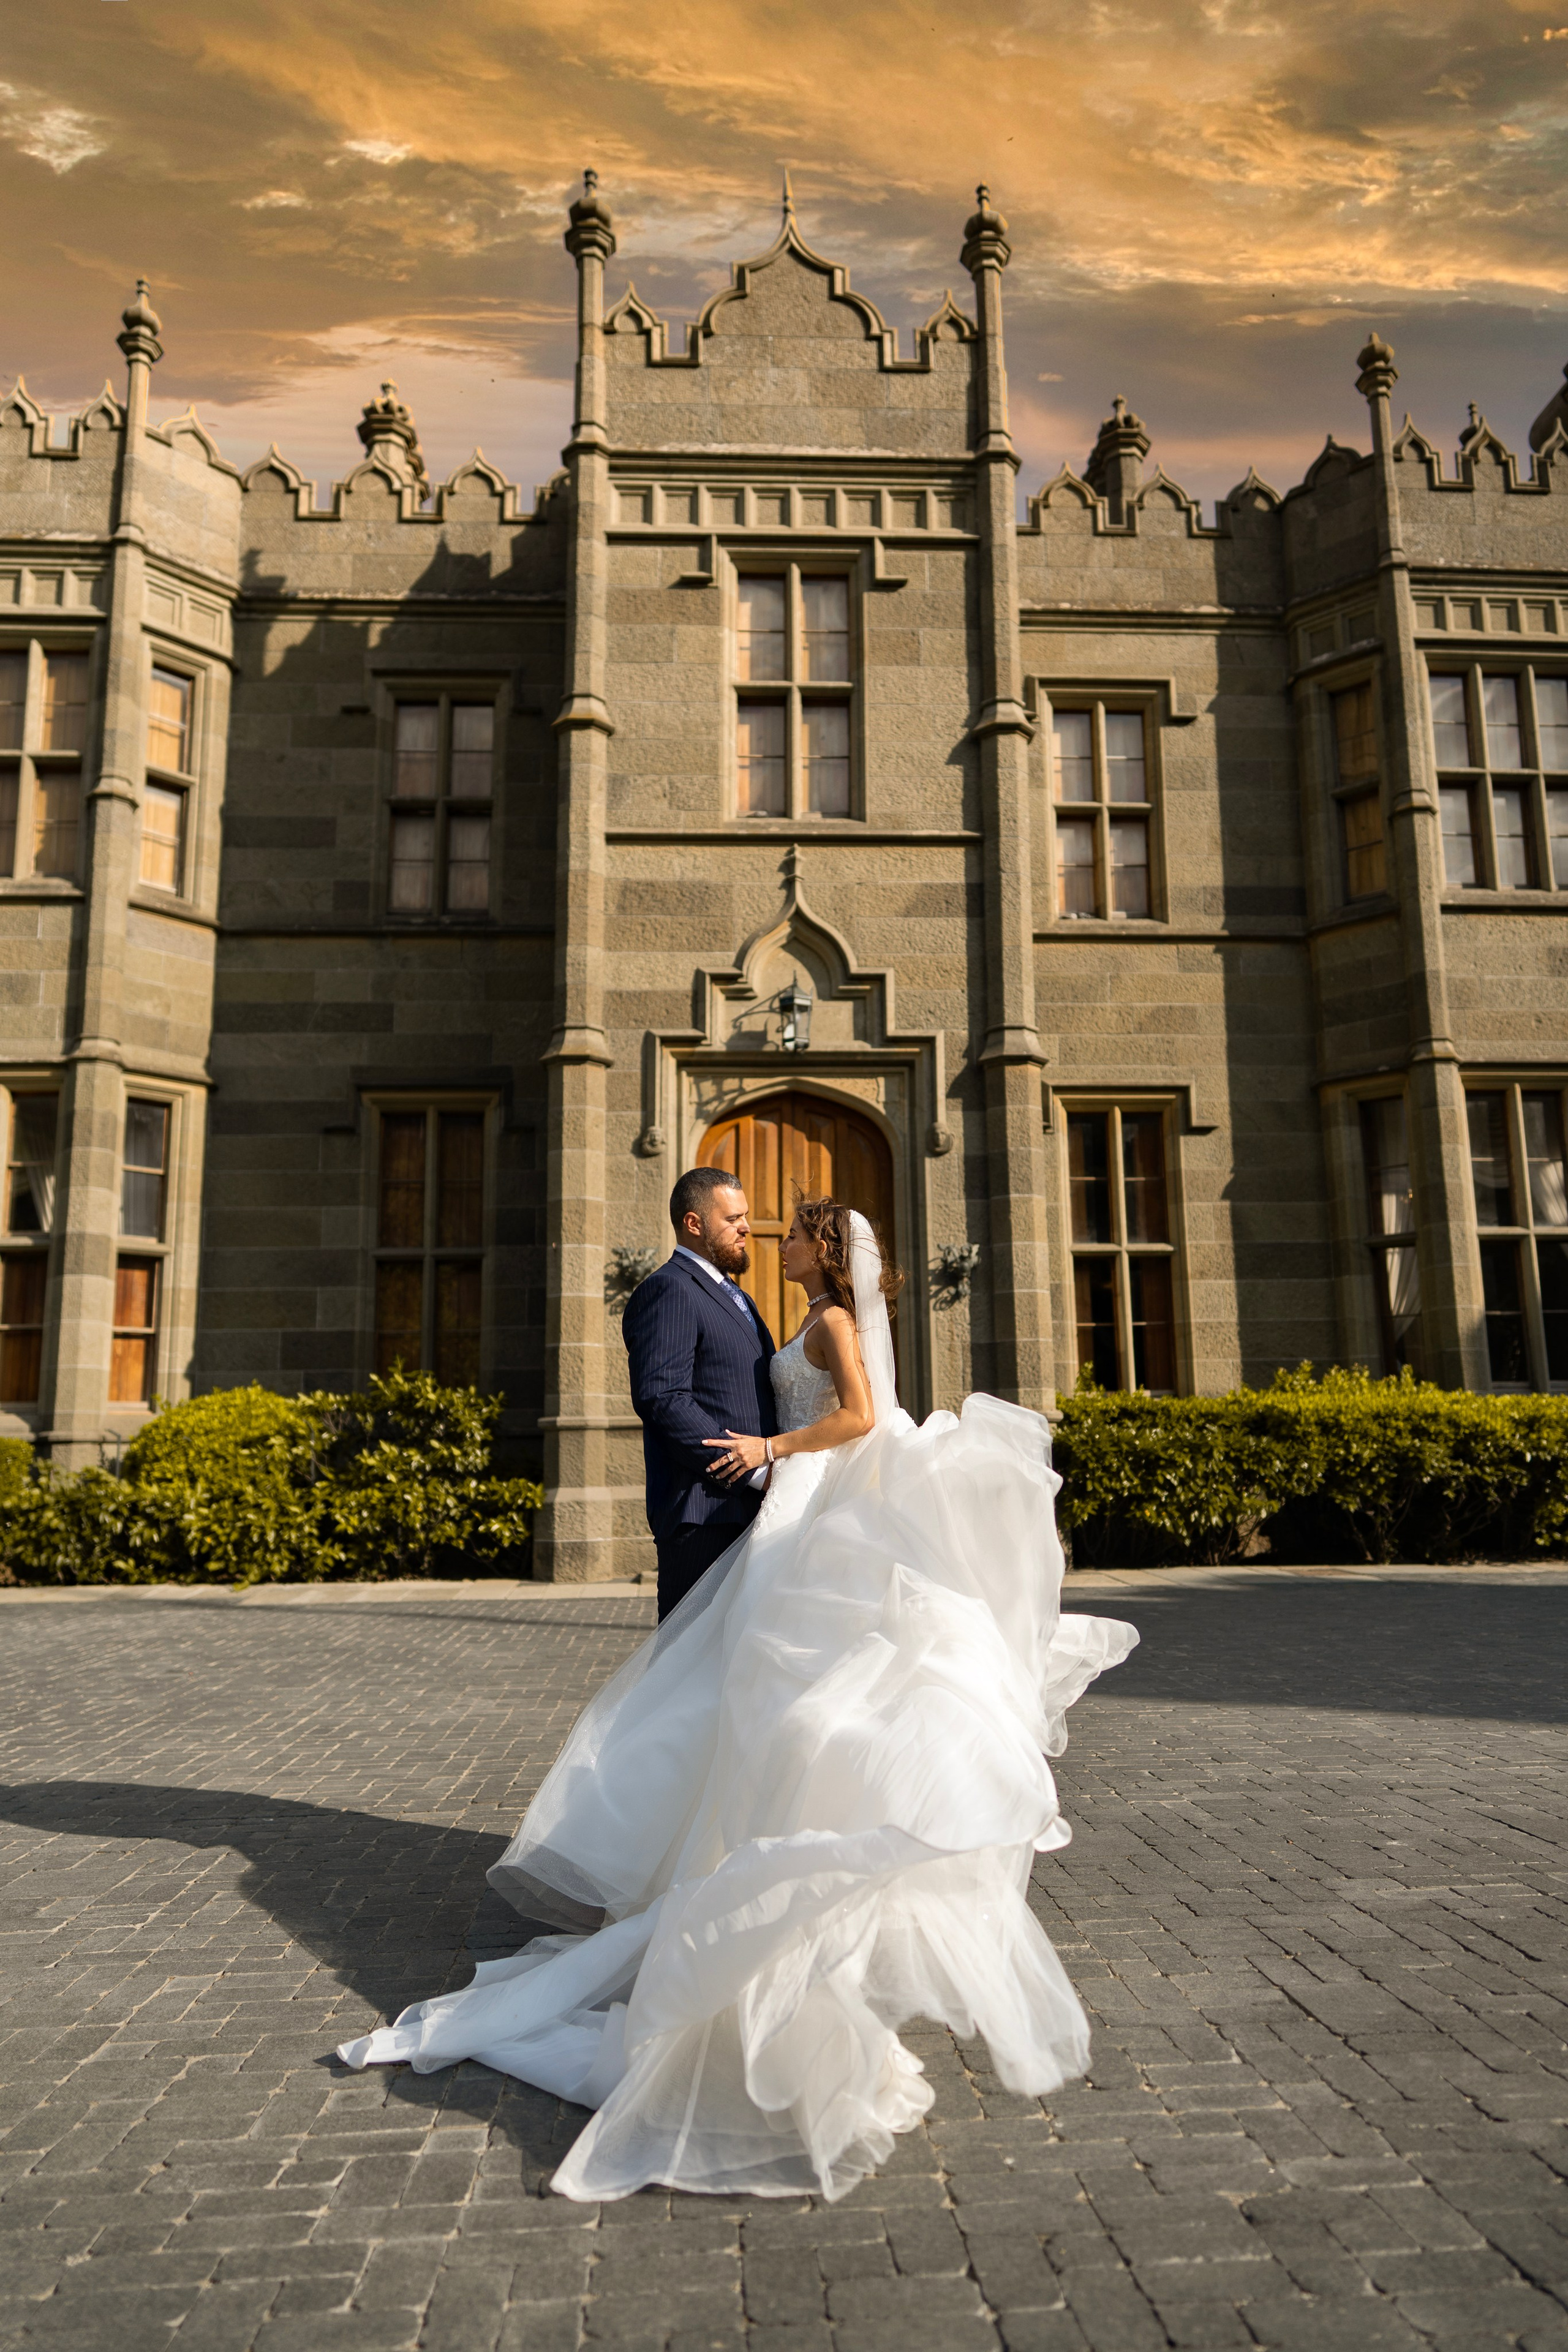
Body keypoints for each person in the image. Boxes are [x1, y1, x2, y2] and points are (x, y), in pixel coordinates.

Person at [337, 1190, 1139, 2204]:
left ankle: (752, 1875)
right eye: (742, 1217)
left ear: (823, 1249)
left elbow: (857, 1416)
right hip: (759, 1517)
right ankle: (707, 1870)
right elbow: (676, 1396)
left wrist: (769, 1452)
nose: (762, 1233)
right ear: (693, 1220)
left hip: (800, 1511)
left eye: (783, 1227)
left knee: (766, 1700)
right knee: (725, 1698)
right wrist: (756, 1457)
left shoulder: (822, 1319)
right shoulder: (721, 1301)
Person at [621, 1166, 777, 1619]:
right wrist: (750, 1471)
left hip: (752, 1511)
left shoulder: (736, 1295)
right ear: (694, 1223)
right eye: (733, 1219)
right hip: (704, 1514)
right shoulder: (668, 1290)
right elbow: (664, 1398)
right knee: (684, 1668)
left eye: (744, 1216)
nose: (747, 1227)